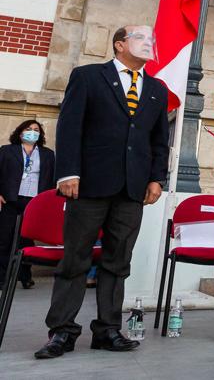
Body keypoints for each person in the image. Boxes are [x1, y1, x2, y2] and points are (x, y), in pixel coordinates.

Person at [35, 25, 169, 360]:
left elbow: (158, 141)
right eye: (142, 39)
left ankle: (108, 329)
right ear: (120, 44)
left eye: (152, 40)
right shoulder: (88, 76)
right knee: (75, 259)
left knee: (118, 261)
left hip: (131, 189)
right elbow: (69, 126)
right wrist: (67, 172)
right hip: (89, 184)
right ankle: (61, 331)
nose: (149, 44)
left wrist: (156, 179)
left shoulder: (156, 89)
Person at [0, 119, 56, 290]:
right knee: (4, 239)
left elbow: (52, 178)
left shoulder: (47, 154)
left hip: (33, 202)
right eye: (29, 129)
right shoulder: (7, 151)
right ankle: (2, 278)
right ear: (20, 132)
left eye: (36, 129)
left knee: (25, 241)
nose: (32, 132)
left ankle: (25, 276)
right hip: (10, 199)